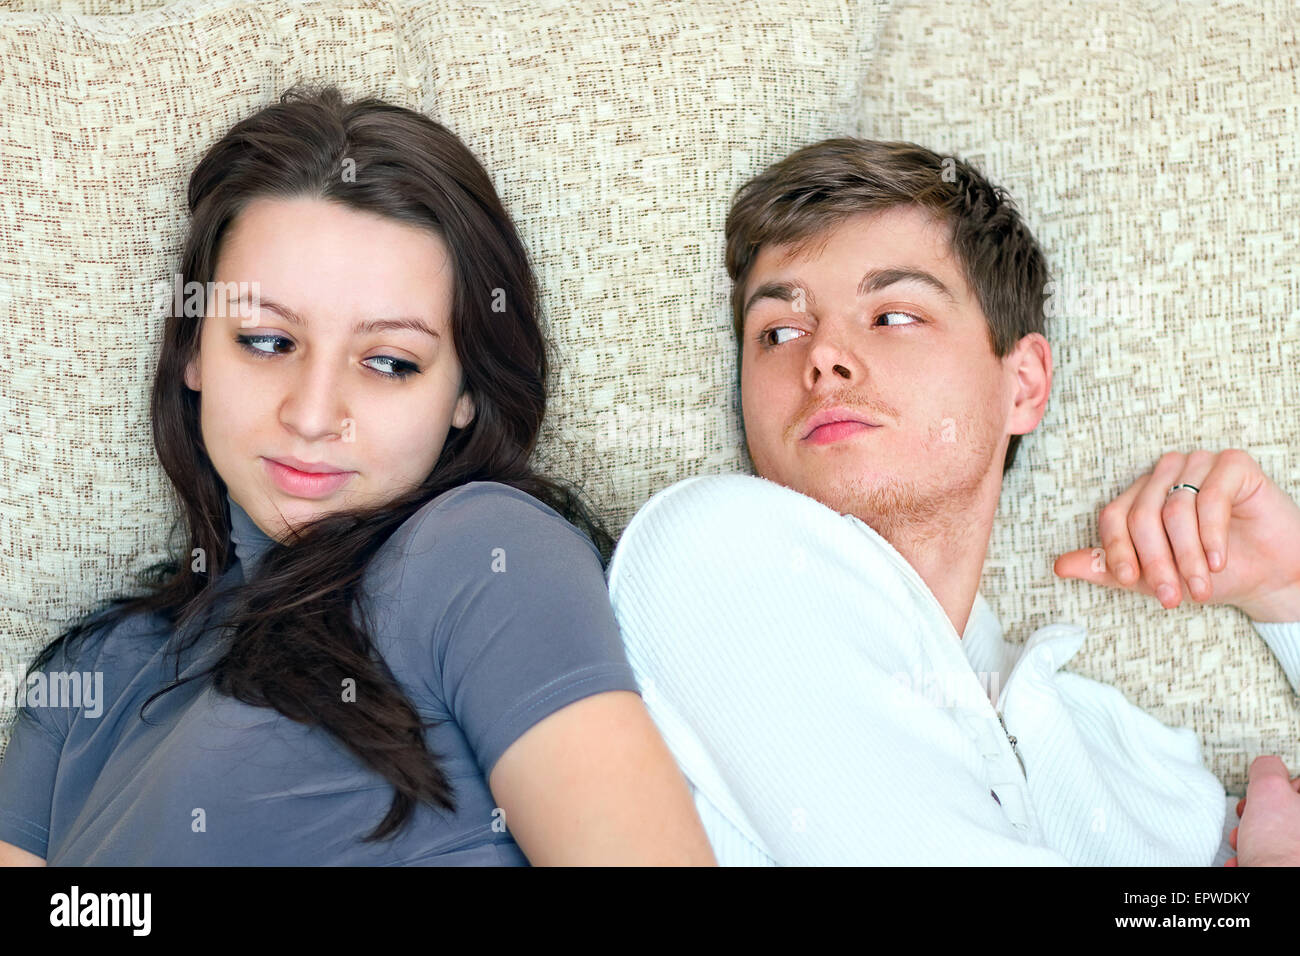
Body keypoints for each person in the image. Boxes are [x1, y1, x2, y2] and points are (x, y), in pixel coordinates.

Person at [0, 84, 715, 866]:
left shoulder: (482, 554)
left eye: (388, 362)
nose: (312, 415)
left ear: (465, 397)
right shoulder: (91, 673)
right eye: (269, 342)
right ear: (194, 351)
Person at [605, 137, 1300, 866]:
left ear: (1024, 384)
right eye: (778, 331)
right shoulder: (713, 556)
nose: (822, 355)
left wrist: (1286, 587)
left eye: (893, 316)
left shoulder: (1134, 766)